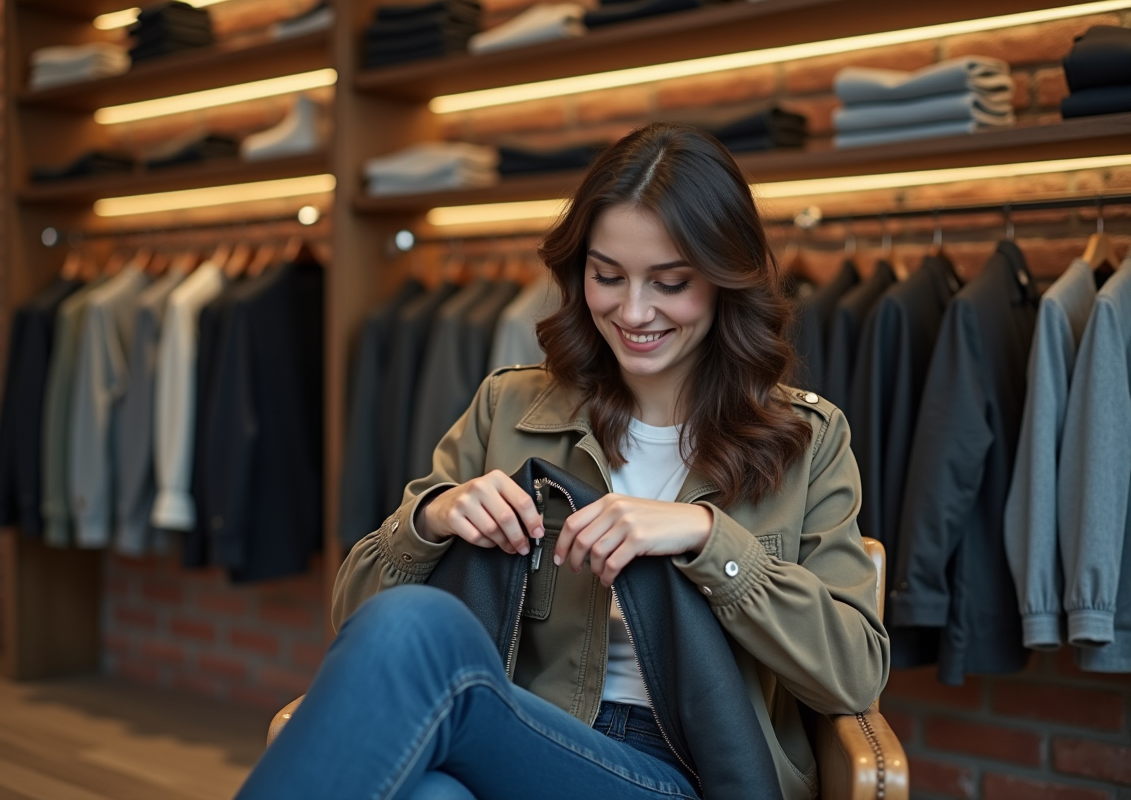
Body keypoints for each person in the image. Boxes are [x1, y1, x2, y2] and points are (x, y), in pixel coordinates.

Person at [236, 122, 889, 800]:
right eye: (608, 277)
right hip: (522, 739)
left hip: (691, 776)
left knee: (422, 687)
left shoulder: (807, 438)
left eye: (670, 283)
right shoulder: (509, 407)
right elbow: (357, 618)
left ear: (727, 279)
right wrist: (431, 519)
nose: (633, 312)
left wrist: (705, 537)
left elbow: (855, 672)